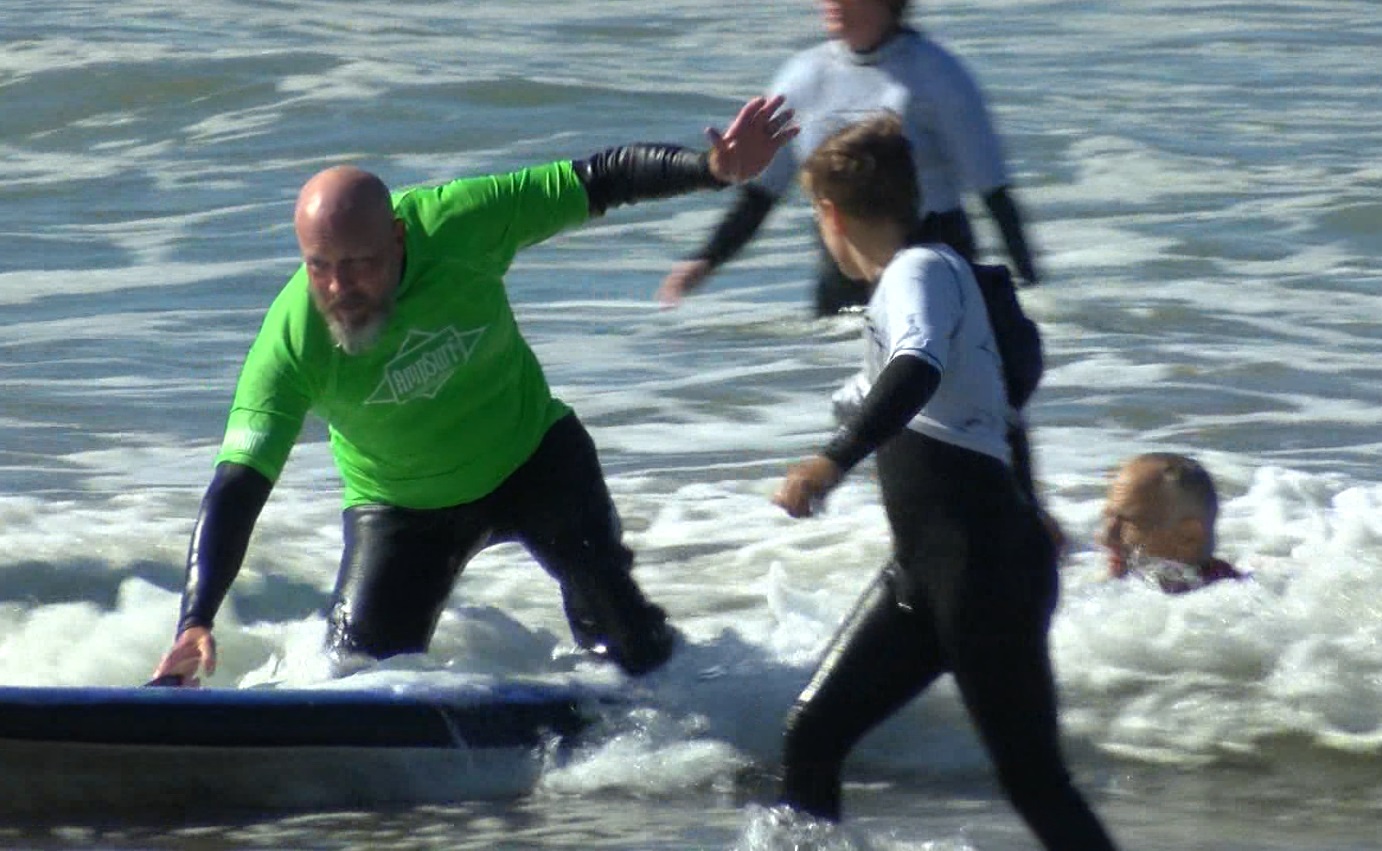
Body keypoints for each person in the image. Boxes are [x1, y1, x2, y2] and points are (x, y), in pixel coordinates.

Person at [150, 96, 800, 686]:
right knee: (356, 675)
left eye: (360, 264)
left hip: (534, 461)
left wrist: (711, 169)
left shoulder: (459, 223)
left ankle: (699, 718)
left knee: (627, 645)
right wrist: (196, 617)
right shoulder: (291, 342)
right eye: (319, 267)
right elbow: (237, 486)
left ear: (399, 236)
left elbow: (598, 178)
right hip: (403, 507)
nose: (339, 288)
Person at [769, 114, 1118, 849]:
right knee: (812, 734)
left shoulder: (917, 272)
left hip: (980, 567)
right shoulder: (930, 278)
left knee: (1033, 781)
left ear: (830, 215)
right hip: (930, 571)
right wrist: (1032, 496)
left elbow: (918, 365)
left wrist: (831, 459)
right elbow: (999, 400)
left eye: (812, 216)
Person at [657, 0, 1039, 317]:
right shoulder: (802, 76)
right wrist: (705, 260)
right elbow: (762, 193)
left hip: (932, 267)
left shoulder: (939, 75)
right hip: (840, 277)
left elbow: (995, 193)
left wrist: (1030, 293)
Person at [1098, 452, 1245, 594]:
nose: (1106, 539)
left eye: (1131, 522)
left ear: (1188, 536)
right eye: (1108, 517)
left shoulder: (1232, 604)